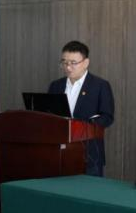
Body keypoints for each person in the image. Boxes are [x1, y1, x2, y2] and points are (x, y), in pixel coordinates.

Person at [48, 40, 114, 176]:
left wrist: (84, 126)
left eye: (73, 63)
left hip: (89, 154)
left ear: (85, 63)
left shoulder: (100, 85)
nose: (68, 67)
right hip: (59, 152)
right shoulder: (56, 86)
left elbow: (107, 117)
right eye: (64, 62)